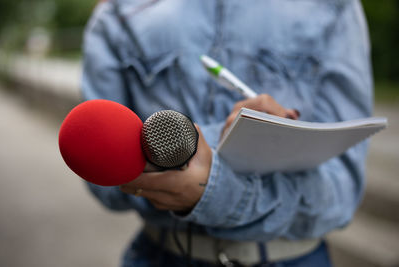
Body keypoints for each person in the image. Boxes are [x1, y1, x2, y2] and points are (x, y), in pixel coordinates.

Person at [81, 0, 373, 266]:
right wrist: (219, 153)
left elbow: (342, 193)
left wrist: (217, 181)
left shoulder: (334, 6)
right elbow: (101, 175)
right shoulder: (119, 11)